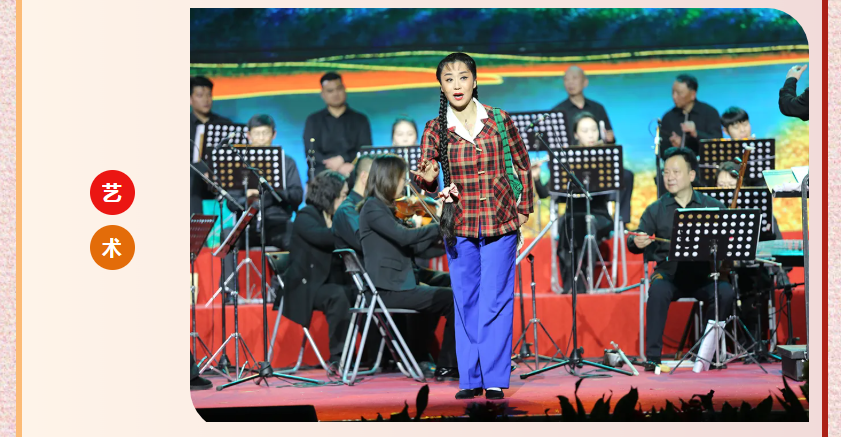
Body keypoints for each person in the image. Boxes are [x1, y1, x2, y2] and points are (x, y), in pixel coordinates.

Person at [412, 53, 534, 400]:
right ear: (441, 86)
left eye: (463, 77)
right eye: (449, 79)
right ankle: (470, 377)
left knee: (496, 300)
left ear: (475, 81)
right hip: (459, 225)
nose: (457, 85)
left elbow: (523, 165)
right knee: (466, 301)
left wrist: (523, 209)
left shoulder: (499, 119)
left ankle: (494, 378)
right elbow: (426, 177)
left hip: (500, 221)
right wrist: (429, 179)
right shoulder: (435, 127)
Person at [627, 147, 734, 371]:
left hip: (704, 275)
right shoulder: (656, 209)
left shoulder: (712, 206)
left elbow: (727, 243)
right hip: (670, 275)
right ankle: (653, 357)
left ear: (691, 175)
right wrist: (636, 241)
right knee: (657, 290)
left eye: (676, 172)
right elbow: (634, 239)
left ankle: (706, 354)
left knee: (724, 292)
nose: (670, 177)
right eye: (666, 172)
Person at [358, 154, 458, 381]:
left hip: (397, 282)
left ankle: (428, 355)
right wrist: (440, 224)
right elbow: (404, 237)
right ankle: (447, 365)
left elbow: (416, 247)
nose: (405, 183)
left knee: (449, 287)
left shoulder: (386, 209)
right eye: (401, 178)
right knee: (451, 300)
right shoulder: (372, 207)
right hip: (387, 289)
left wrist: (444, 237)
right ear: (387, 179)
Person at [218, 114, 303, 298]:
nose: (261, 138)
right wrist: (247, 199)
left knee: (295, 234)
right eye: (257, 134)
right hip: (247, 224)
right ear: (249, 136)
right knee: (227, 235)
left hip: (277, 223)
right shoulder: (238, 164)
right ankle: (229, 292)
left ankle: (283, 292)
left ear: (274, 135)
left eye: (265, 133)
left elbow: (297, 196)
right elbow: (231, 203)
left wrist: (272, 190)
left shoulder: (286, 162)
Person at [277, 170, 353, 370]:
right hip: (306, 285)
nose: (345, 200)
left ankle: (378, 356)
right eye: (343, 195)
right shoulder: (306, 215)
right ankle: (338, 357)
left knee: (364, 293)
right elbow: (323, 237)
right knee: (338, 295)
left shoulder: (332, 216)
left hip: (327, 282)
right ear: (330, 195)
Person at [533, 112, 615, 294]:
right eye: (585, 131)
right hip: (572, 217)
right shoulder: (567, 160)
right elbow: (545, 194)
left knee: (583, 223)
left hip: (599, 216)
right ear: (576, 135)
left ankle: (582, 284)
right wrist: (537, 178)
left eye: (594, 130)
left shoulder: (607, 157)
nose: (591, 135)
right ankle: (571, 284)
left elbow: (616, 188)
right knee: (568, 223)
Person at [547, 66, 633, 225]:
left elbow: (609, 139)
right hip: (572, 170)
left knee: (626, 176)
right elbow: (552, 148)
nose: (570, 83)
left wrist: (610, 139)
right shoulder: (558, 112)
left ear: (585, 82)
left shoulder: (597, 108)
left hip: (598, 166)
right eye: (566, 79)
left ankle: (621, 222)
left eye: (574, 78)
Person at [303, 72, 373, 176]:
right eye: (330, 91)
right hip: (323, 171)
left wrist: (343, 159)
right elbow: (311, 152)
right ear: (323, 94)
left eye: (339, 89)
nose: (336, 94)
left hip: (351, 169)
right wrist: (334, 166)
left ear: (344, 89)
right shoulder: (313, 120)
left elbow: (365, 150)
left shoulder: (360, 120)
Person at [190, 76, 233, 215]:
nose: (206, 99)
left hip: (221, 176)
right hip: (195, 180)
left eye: (209, 95)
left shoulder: (225, 124)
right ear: (190, 99)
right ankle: (195, 225)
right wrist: (203, 172)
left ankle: (238, 224)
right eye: (200, 95)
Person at [659, 74, 721, 158]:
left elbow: (718, 143)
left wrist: (696, 134)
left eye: (679, 93)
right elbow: (662, 151)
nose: (674, 96)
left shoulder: (710, 113)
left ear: (693, 94)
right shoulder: (668, 117)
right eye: (673, 92)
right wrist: (675, 148)